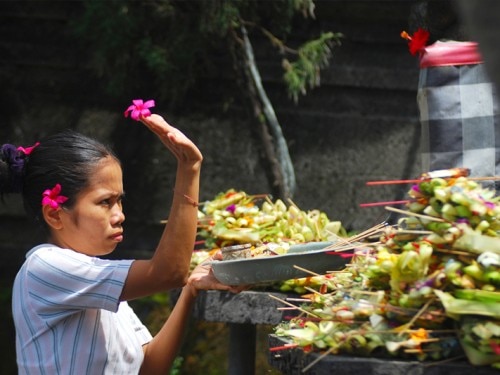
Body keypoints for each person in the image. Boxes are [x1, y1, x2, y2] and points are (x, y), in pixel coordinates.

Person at [2, 109, 241, 374]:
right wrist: (189, 169)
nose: (120, 215)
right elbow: (168, 273)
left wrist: (190, 290)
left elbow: (149, 366)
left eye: (119, 200)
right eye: (105, 202)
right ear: (55, 214)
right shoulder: (44, 266)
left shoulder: (99, 281)